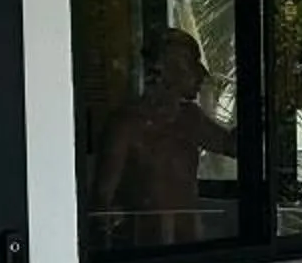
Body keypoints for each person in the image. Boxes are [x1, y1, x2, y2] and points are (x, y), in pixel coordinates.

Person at [90, 26, 234, 248]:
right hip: (144, 255)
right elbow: (101, 204)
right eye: (192, 62)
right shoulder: (126, 125)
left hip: (193, 249)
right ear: (166, 68)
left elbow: (236, 146)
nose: (202, 73)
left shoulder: (190, 118)